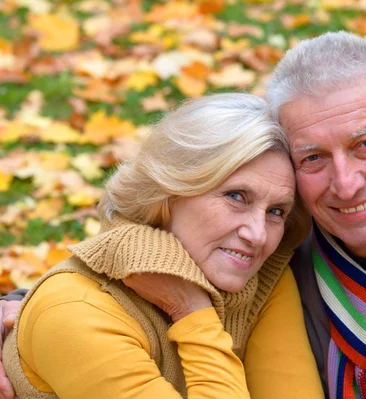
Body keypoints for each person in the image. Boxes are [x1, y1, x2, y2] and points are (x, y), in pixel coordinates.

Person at [0, 31, 366, 399]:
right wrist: (29, 321)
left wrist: (190, 309)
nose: (345, 183)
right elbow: (108, 279)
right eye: (313, 157)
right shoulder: (283, 255)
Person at [0, 93, 324, 398]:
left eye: (276, 212)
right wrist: (193, 313)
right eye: (236, 196)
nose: (258, 235)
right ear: (170, 192)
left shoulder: (258, 276)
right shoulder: (76, 309)